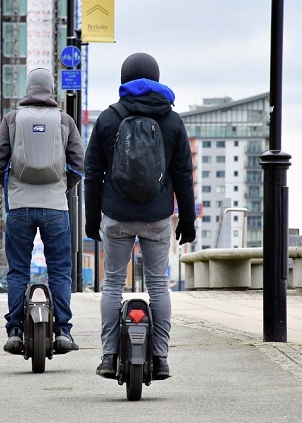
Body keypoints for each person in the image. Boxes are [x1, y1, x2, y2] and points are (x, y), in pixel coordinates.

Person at [84, 53, 196, 380]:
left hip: (116, 217)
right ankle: (160, 359)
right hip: (157, 218)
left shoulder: (107, 119)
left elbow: (93, 174)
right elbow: (184, 175)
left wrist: (93, 221)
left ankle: (108, 357)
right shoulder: (173, 121)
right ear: (157, 79)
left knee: (113, 284)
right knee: (159, 284)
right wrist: (186, 221)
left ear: (124, 80)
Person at [0, 68, 85, 355]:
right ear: (52, 89)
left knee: (18, 269)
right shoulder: (65, 120)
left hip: (19, 205)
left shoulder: (12, 119)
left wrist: (14, 185)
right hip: (55, 206)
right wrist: (63, 186)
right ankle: (63, 332)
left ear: (28, 88)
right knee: (59, 269)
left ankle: (15, 331)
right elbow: (79, 163)